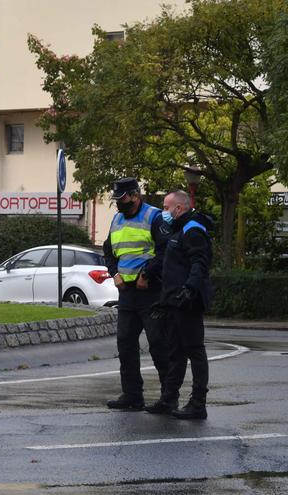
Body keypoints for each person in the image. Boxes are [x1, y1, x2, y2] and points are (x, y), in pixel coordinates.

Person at [103, 177, 170, 411]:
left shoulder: (154, 216)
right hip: (127, 293)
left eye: (122, 198)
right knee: (125, 344)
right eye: (117, 199)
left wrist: (147, 274)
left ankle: (168, 397)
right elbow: (108, 251)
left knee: (158, 343)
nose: (119, 203)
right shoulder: (117, 219)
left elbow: (165, 251)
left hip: (150, 291)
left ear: (135, 195)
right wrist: (114, 273)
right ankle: (132, 395)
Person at [147, 190, 214, 420]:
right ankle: (169, 398)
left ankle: (198, 403)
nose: (164, 212)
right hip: (175, 302)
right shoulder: (178, 230)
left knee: (194, 350)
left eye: (166, 207)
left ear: (179, 208)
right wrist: (164, 301)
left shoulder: (193, 229)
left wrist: (190, 289)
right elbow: (173, 270)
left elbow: (199, 263)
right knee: (175, 352)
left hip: (189, 302)